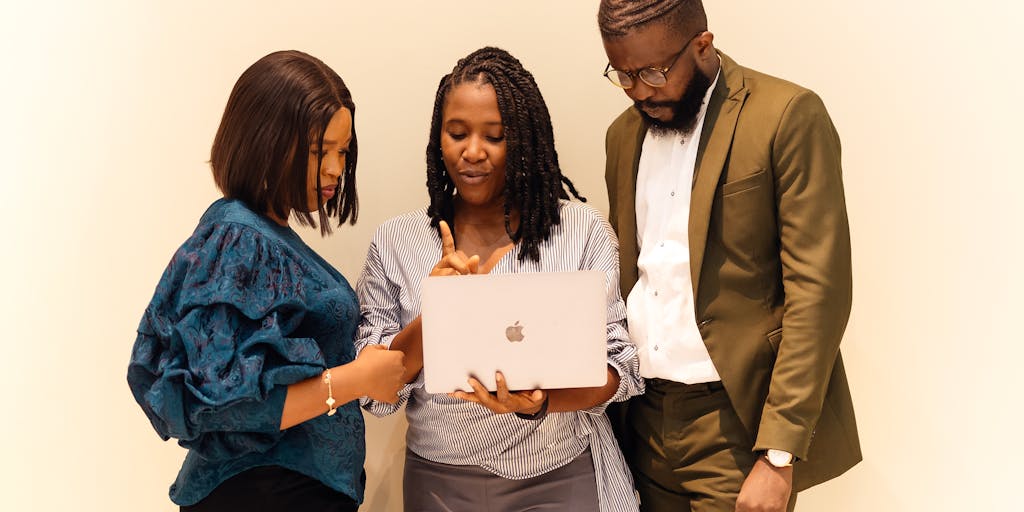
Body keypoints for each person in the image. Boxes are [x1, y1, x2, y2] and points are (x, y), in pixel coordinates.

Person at [596, 1, 862, 511]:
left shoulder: (785, 116)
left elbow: (818, 293)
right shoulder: (622, 136)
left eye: (653, 72)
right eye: (623, 74)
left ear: (702, 44)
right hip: (643, 419)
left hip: (738, 424)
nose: (639, 91)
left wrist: (778, 455)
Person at [355, 47, 644, 512]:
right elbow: (375, 396)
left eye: (495, 136)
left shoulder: (581, 231)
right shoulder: (396, 241)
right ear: (438, 138)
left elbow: (619, 371)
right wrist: (437, 314)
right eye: (457, 133)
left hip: (560, 474)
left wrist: (543, 401)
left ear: (525, 141)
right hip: (438, 481)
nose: (473, 152)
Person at [126, 50, 406, 512]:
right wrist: (352, 381)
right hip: (262, 493)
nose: (336, 168)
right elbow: (220, 401)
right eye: (321, 151)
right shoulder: (240, 237)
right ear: (267, 141)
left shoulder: (265, 235)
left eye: (343, 151)